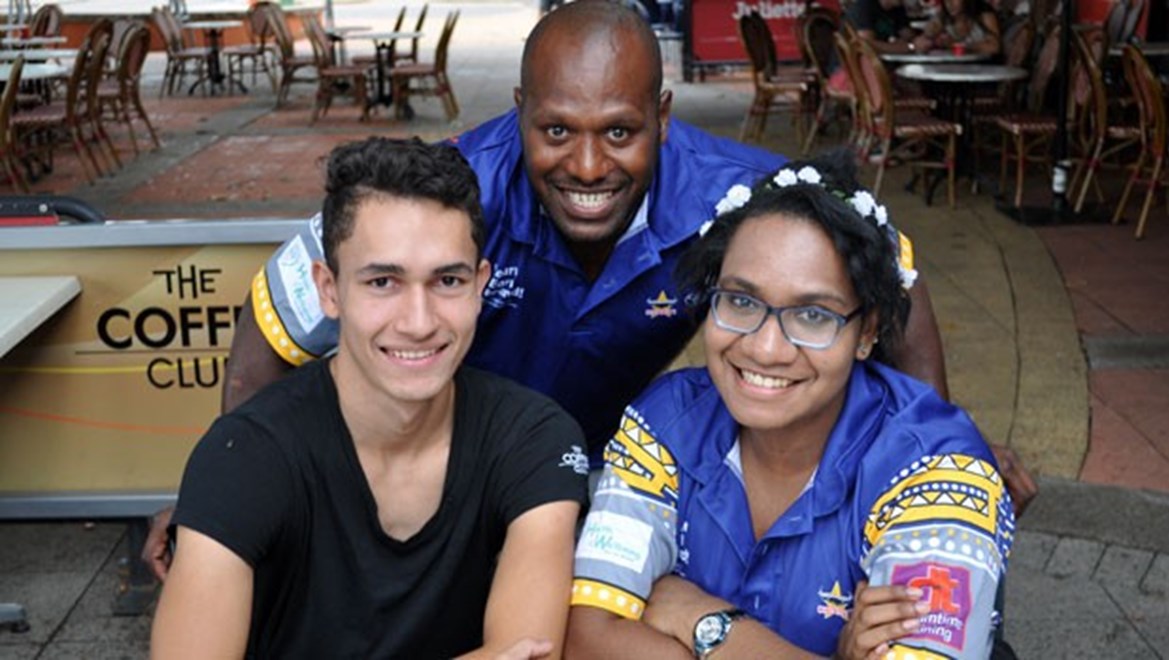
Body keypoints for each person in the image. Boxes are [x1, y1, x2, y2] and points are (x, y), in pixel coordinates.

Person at [143, 0, 1035, 580]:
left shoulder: (732, 196)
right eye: (555, 130)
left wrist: (934, 445)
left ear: (662, 118)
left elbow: (892, 276)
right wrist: (228, 491)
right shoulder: (445, 189)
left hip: (589, 470)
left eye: (618, 131)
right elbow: (269, 325)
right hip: (433, 466)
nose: (585, 165)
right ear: (518, 111)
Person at [150, 138, 588, 659]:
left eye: (448, 280)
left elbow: (530, 654)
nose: (419, 322)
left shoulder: (534, 438)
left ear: (480, 286)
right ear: (329, 290)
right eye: (383, 282)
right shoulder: (245, 455)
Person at [566, 152, 1014, 659]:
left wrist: (700, 618)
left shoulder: (939, 470)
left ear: (867, 331)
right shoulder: (666, 424)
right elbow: (587, 640)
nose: (765, 348)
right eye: (741, 301)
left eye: (813, 315)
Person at [913, 0, 1002, 56]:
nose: (950, 3)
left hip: (983, 68)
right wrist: (933, 42)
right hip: (951, 68)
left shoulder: (984, 14)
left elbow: (994, 47)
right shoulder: (944, 17)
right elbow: (921, 41)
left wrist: (959, 45)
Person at [847, 0, 919, 53]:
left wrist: (921, 39)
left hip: (885, 60)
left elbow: (907, 34)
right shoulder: (864, 7)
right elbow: (867, 45)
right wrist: (910, 47)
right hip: (861, 65)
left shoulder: (897, 7)